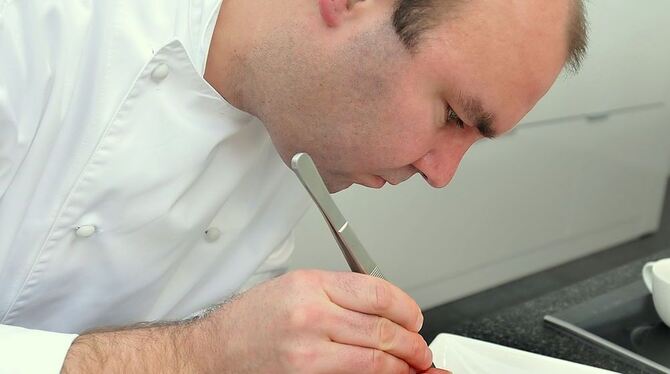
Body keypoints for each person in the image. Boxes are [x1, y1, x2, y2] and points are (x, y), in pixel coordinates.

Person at [0, 0, 587, 372]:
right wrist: (193, 355)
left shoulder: (297, 128)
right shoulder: (30, 31)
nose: (441, 174)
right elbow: (191, 350)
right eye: (454, 116)